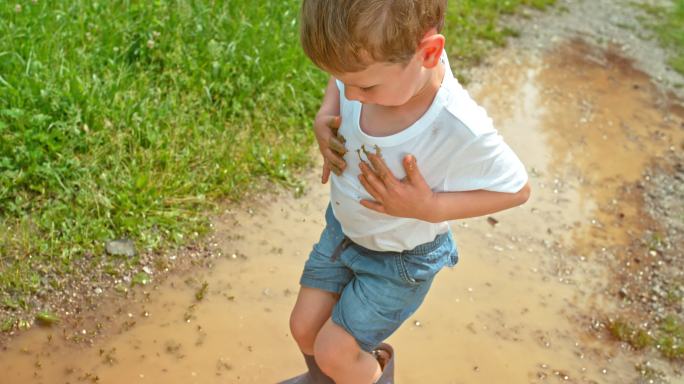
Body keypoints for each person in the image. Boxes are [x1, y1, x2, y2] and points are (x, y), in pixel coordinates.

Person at [282, 1, 531, 383]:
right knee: (303, 326)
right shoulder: (369, 65)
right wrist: (325, 114)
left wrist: (429, 206)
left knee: (335, 350)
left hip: (399, 262)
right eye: (340, 79)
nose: (351, 93)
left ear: (428, 54)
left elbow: (516, 188)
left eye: (363, 85)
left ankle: (371, 374)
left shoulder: (457, 122)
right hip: (343, 233)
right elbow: (343, 81)